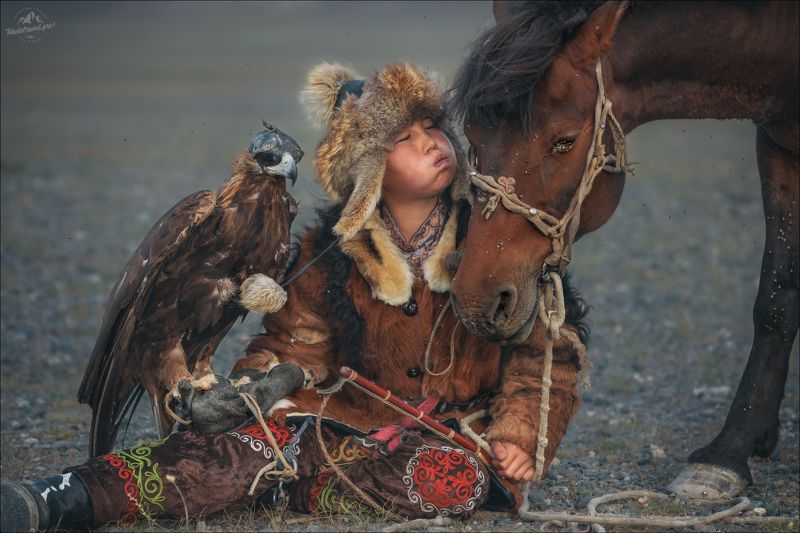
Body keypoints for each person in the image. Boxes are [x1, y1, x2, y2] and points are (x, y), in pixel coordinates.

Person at [1, 62, 589, 531]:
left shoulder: (499, 240)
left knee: (448, 482)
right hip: (339, 424)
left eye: (433, 127)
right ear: (369, 170)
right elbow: (293, 346)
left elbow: (547, 356)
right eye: (405, 138)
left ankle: (284, 486)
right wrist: (258, 390)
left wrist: (517, 436)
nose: (432, 142)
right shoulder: (326, 253)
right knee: (227, 451)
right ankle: (65, 497)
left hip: (458, 433)